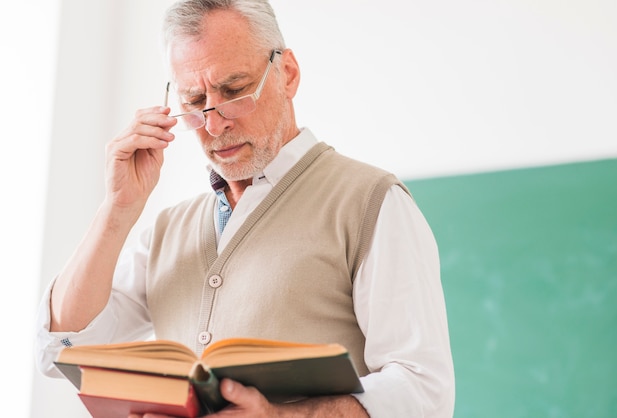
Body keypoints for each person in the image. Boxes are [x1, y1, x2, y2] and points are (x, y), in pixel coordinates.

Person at [35, 0, 455, 416]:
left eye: (234, 90)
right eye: (195, 100)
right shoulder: (168, 230)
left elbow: (423, 390)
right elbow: (63, 348)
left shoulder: (371, 202)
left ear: (287, 74)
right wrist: (117, 209)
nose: (214, 124)